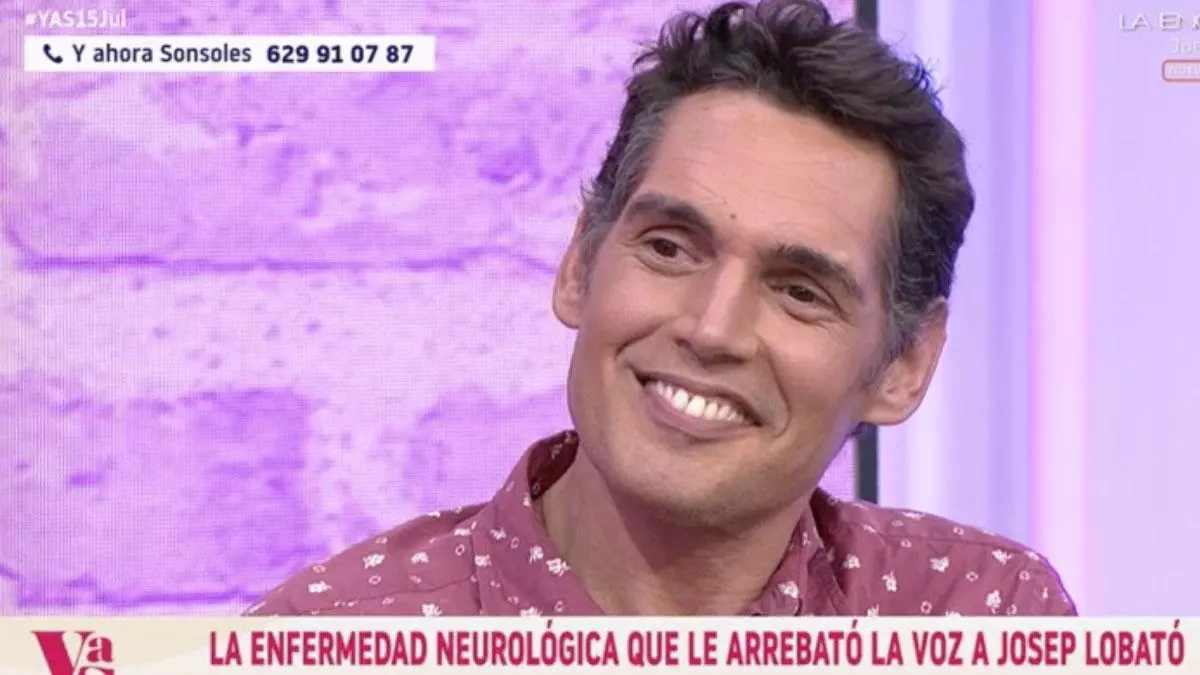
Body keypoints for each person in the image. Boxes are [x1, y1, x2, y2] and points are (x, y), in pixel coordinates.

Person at [246, 0, 1075, 617]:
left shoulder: (978, 614)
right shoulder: (331, 635)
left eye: (799, 291)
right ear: (581, 261)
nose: (711, 328)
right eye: (671, 248)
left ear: (904, 365)